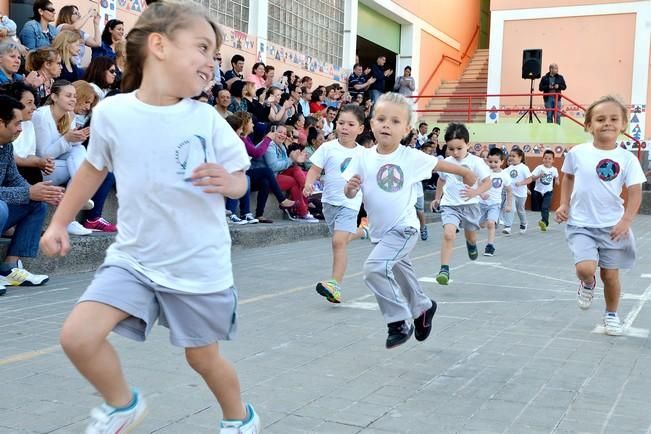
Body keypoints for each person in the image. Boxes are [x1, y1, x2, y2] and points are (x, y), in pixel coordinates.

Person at [39, 2, 261, 433]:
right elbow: (92, 168)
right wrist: (59, 222)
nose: (209, 63)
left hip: (198, 265)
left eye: (214, 55)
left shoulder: (206, 120)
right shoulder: (112, 113)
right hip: (134, 259)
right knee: (78, 337)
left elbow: (241, 178)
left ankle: (239, 419)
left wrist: (229, 184)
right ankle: (122, 407)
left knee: (202, 357)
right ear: (158, 45)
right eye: (201, 48)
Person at [342, 93, 476, 348]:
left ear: (406, 129)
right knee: (401, 273)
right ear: (371, 124)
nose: (386, 125)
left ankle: (398, 320)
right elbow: (349, 191)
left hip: (403, 229)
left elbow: (442, 165)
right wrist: (350, 188)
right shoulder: (363, 157)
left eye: (394, 121)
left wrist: (466, 172)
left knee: (374, 269)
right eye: (381, 119)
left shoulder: (410, 157)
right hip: (381, 232)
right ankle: (423, 308)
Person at [555, 95, 646, 336]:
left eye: (614, 118)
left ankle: (612, 314)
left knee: (610, 275)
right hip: (581, 224)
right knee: (586, 268)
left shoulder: (628, 159)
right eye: (600, 119)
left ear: (623, 124)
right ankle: (587, 283)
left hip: (612, 227)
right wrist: (564, 204)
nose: (607, 123)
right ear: (588, 125)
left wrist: (626, 221)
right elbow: (568, 177)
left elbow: (636, 192)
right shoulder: (578, 153)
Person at [303, 105, 366, 304]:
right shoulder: (327, 147)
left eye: (350, 124)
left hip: (350, 203)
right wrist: (308, 184)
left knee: (338, 242)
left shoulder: (364, 154)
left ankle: (335, 285)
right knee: (342, 239)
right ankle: (363, 232)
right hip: (329, 203)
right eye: (341, 123)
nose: (345, 128)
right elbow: (314, 170)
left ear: (360, 129)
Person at [0, 95, 52, 295]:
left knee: (37, 203)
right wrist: (28, 191)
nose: (20, 128)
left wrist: (41, 192)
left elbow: (14, 179)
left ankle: (10, 268)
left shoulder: (6, 146)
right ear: (1, 123)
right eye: (17, 123)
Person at [431, 123, 491, 285]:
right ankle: (444, 269)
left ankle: (471, 245)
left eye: (459, 148)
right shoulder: (446, 162)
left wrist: (475, 192)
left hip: (470, 205)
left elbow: (487, 183)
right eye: (451, 149)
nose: (455, 152)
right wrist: (437, 197)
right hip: (449, 204)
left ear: (467, 145)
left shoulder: (476, 162)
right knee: (449, 234)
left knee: (471, 237)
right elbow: (441, 180)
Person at [479, 147, 511, 256]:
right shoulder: (485, 172)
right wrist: (482, 194)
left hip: (495, 204)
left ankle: (490, 246)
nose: (493, 164)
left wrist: (509, 205)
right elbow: (478, 185)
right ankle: (484, 222)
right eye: (490, 161)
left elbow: (509, 190)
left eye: (496, 162)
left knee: (490, 223)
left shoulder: (504, 175)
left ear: (502, 162)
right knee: (480, 225)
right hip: (482, 204)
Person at [501, 148, 531, 235]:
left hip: (521, 194)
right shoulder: (508, 169)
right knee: (510, 208)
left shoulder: (524, 168)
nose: (511, 158)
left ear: (520, 157)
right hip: (511, 193)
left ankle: (523, 223)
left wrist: (521, 183)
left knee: (520, 210)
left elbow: (529, 179)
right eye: (510, 156)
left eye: (513, 156)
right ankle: (507, 227)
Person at [531, 149, 559, 231]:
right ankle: (544, 219)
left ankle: (544, 222)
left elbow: (556, 176)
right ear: (543, 159)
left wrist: (557, 180)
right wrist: (539, 176)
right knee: (540, 208)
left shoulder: (554, 169)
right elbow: (532, 178)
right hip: (538, 191)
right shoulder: (539, 168)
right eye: (545, 158)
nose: (547, 160)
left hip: (548, 191)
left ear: (553, 160)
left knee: (545, 207)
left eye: (549, 158)